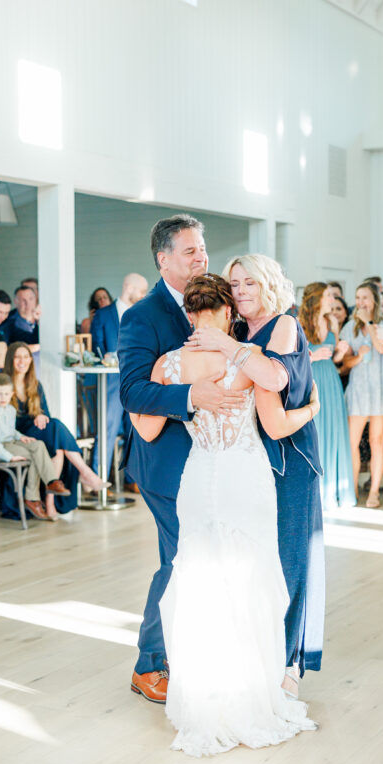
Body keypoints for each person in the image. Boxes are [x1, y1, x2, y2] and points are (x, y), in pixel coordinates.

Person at [130, 273, 318, 756]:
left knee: (199, 581)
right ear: (229, 312)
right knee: (249, 581)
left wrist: (184, 401)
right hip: (243, 478)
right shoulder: (244, 359)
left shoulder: (168, 364)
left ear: (189, 314)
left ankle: (203, 697)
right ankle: (249, 695)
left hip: (199, 478)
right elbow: (275, 426)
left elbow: (146, 429)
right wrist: (312, 409)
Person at [119, 214, 246, 704]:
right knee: (179, 557)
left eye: (203, 249)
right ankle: (149, 665)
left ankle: (189, 653)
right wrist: (190, 393)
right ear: (163, 258)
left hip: (214, 459)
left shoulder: (219, 304)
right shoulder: (142, 316)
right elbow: (133, 391)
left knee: (205, 558)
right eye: (190, 251)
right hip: (166, 460)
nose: (202, 258)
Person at [189, 253, 325, 699]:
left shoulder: (282, 325)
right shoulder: (240, 332)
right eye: (235, 283)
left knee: (291, 560)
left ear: (267, 284)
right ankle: (258, 653)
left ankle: (290, 664)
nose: (242, 290)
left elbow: (274, 378)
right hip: (248, 463)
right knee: (257, 561)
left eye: (250, 282)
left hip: (288, 457)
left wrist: (308, 410)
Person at [3, 342, 106, 520]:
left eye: (26, 357)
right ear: (10, 359)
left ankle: (50, 502)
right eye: (18, 357)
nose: (22, 361)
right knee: (56, 430)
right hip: (16, 436)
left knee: (57, 445)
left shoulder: (35, 384)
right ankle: (86, 473)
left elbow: (47, 417)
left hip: (35, 432)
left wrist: (41, 416)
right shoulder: (3, 382)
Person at [0, 372, 70, 521]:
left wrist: (21, 437)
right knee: (34, 457)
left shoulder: (11, 410)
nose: (2, 398)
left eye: (6, 394)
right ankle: (32, 498)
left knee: (38, 445)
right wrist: (10, 457)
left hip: (9, 443)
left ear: (11, 394)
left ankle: (52, 482)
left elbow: (10, 431)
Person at [342, 281, 383, 508]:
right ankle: (353, 486)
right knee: (352, 442)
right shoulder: (350, 327)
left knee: (378, 441)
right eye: (357, 298)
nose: (360, 303)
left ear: (374, 300)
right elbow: (345, 363)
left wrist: (369, 322)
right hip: (358, 389)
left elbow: (380, 348)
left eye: (365, 298)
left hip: (381, 388)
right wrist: (355, 357)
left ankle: (374, 491)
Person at [298, 282, 354, 511]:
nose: (332, 299)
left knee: (334, 429)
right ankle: (317, 491)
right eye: (328, 295)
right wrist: (312, 357)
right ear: (317, 298)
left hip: (330, 379)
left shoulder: (332, 322)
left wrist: (340, 351)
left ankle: (335, 490)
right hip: (311, 378)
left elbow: (337, 359)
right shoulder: (299, 323)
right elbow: (294, 358)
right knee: (317, 432)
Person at [90, 273, 148, 477]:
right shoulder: (103, 315)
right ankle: (99, 480)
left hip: (137, 380)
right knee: (108, 427)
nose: (143, 295)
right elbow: (96, 346)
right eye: (141, 291)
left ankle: (132, 478)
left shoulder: (142, 315)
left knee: (136, 429)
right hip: (112, 381)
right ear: (129, 288)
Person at [0, 285, 40, 355]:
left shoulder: (43, 320)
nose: (28, 304)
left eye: (31, 299)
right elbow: (5, 349)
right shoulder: (8, 323)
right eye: (23, 300)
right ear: (16, 302)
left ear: (36, 299)